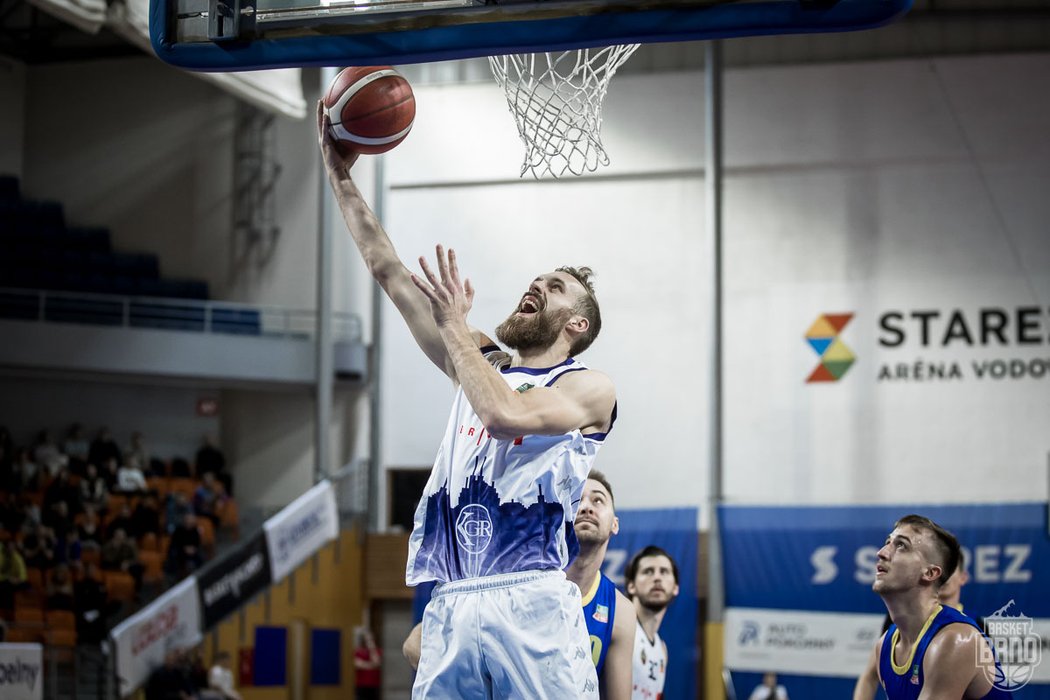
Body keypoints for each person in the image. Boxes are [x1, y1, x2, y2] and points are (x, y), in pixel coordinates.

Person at [319, 104, 616, 700]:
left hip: (530, 600)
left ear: (577, 324)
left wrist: (456, 327)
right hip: (451, 600)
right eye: (536, 279)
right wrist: (339, 172)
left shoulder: (588, 386)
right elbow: (387, 270)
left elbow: (505, 416)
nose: (536, 285)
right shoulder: (481, 362)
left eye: (554, 288)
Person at [402, 470, 637, 699]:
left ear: (615, 524)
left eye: (598, 500)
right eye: (577, 500)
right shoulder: (518, 581)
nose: (586, 507)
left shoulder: (620, 610)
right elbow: (413, 645)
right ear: (560, 516)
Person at [853, 514, 1006, 700]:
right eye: (888, 542)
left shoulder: (956, 639)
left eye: (901, 545)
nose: (881, 552)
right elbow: (868, 679)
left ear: (930, 573)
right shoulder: (885, 644)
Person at [854, 551, 981, 700]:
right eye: (940, 569)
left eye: (951, 570)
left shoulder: (976, 627)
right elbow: (870, 675)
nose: (945, 576)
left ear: (963, 577)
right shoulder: (900, 621)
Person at [626, 545, 679, 700]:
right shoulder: (619, 631)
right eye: (648, 571)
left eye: (664, 572)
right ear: (631, 586)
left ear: (675, 588)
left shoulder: (662, 650)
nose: (657, 577)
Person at [353, 627, 382, 700]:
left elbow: (377, 662)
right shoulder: (358, 651)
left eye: (370, 639)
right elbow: (358, 664)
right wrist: (372, 665)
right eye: (367, 639)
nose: (368, 641)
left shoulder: (377, 651)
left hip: (374, 685)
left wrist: (372, 648)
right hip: (362, 685)